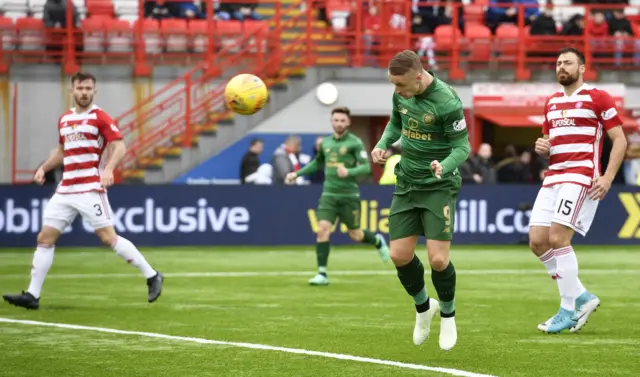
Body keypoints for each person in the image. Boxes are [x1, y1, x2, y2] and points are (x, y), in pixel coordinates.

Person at [2, 72, 164, 310]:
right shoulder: (65, 119)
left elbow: (119, 146)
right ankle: (33, 295)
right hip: (66, 188)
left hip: (89, 188)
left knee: (108, 237)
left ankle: (152, 275)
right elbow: (61, 152)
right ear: (72, 90)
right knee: (44, 238)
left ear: (94, 91)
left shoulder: (100, 117)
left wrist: (108, 169)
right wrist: (43, 169)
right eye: (80, 88)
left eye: (88, 88)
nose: (84, 92)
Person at [371, 50, 471, 351]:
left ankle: (449, 315)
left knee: (438, 260)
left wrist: (445, 165)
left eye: (401, 85)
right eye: (393, 85)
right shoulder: (400, 94)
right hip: (407, 183)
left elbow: (462, 147)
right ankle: (424, 307)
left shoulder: (447, 101)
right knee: (399, 255)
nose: (397, 91)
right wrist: (382, 144)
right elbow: (394, 124)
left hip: (438, 185)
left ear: (418, 76)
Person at [529, 48, 627, 334]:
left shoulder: (598, 97)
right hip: (554, 176)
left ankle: (567, 309)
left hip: (581, 175)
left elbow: (619, 140)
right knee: (537, 241)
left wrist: (608, 177)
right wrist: (541, 147)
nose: (562, 67)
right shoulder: (551, 102)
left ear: (582, 68)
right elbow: (549, 142)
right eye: (558, 63)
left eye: (568, 62)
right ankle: (582, 297)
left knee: (558, 237)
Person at [286, 106, 391, 286]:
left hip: (349, 195)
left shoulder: (355, 143)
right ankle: (322, 274)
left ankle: (377, 240)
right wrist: (297, 174)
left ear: (348, 122)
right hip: (329, 195)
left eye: (342, 120)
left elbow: (366, 167)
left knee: (355, 235)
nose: (339, 123)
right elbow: (316, 163)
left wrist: (349, 171)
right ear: (331, 121)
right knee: (322, 229)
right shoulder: (326, 143)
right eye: (336, 120)